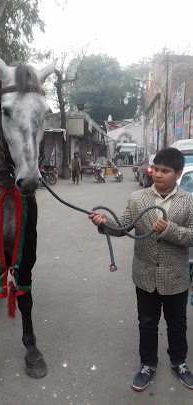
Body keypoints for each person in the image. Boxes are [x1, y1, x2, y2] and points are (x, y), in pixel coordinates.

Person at [89, 148, 193, 392]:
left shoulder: (189, 201)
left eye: (165, 171)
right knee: (147, 323)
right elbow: (123, 225)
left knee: (177, 323)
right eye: (155, 169)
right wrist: (105, 223)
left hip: (175, 276)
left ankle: (179, 362)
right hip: (145, 275)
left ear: (177, 174)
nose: (158, 174)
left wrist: (169, 230)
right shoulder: (138, 199)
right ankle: (148, 364)